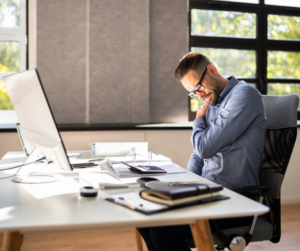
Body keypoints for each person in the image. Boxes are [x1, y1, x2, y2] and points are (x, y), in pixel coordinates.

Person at [137, 52, 267, 251]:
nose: (199, 95)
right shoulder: (214, 102)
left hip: (236, 199)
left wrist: (198, 120)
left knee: (163, 231)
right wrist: (184, 186)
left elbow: (205, 148)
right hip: (209, 193)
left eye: (198, 87)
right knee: (145, 213)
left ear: (212, 70)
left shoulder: (244, 95)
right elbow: (198, 154)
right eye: (193, 92)